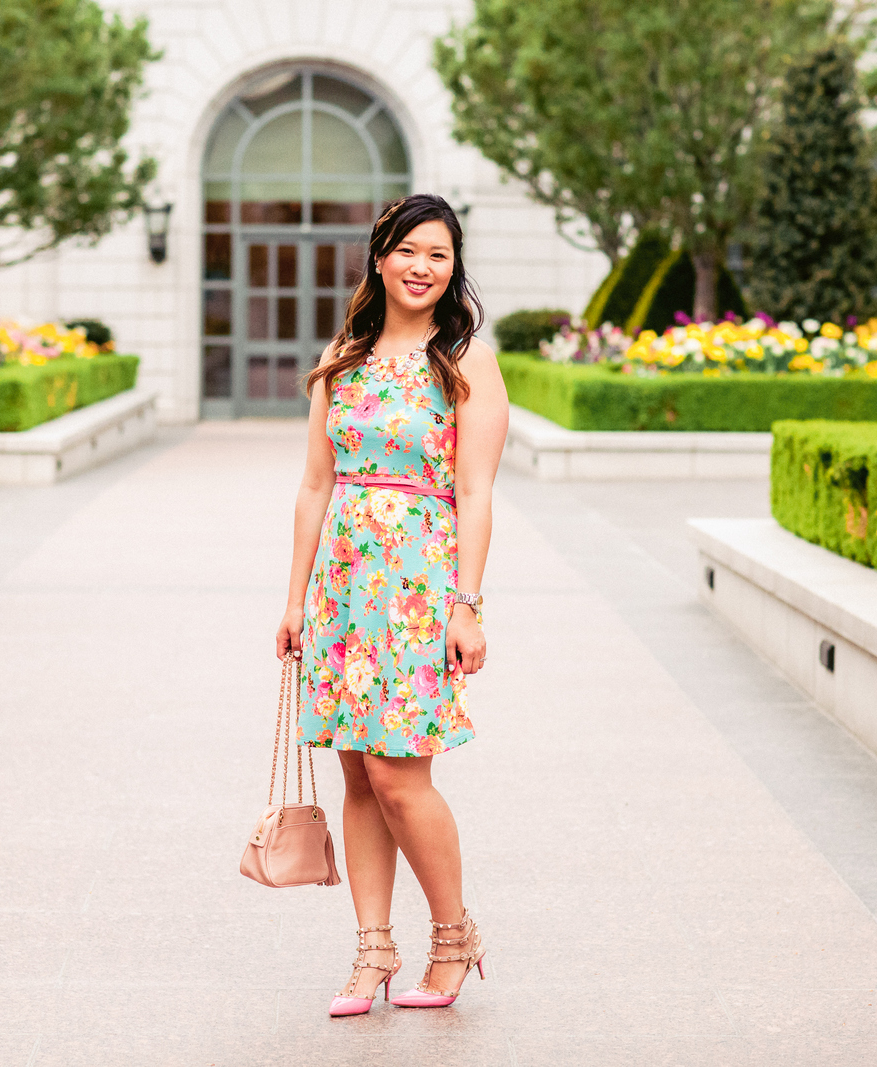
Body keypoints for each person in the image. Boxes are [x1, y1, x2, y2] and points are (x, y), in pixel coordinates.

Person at [275, 193, 508, 1017]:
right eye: (408, 250)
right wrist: (296, 598)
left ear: (454, 270)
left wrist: (467, 606)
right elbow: (314, 483)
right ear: (380, 257)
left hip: (417, 588)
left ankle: (454, 935)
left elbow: (475, 492)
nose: (421, 266)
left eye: (439, 255)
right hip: (343, 588)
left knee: (399, 774)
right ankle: (372, 949)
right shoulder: (346, 354)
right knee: (357, 772)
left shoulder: (466, 361)